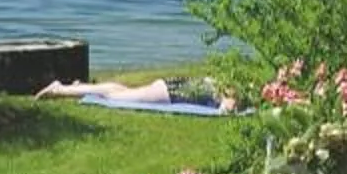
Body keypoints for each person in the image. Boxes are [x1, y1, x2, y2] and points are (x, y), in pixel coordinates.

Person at [35, 75, 238, 111]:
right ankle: (59, 90)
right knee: (115, 96)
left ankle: (78, 87)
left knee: (121, 91)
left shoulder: (230, 81)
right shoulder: (233, 92)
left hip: (175, 87)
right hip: (173, 93)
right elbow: (227, 109)